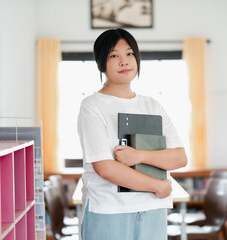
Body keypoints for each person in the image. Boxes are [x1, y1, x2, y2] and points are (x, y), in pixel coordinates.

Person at [77, 28, 187, 240]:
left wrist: (139, 156)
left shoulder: (152, 105)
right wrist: (158, 186)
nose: (124, 61)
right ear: (101, 64)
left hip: (152, 209)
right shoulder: (92, 106)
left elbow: (179, 157)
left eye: (129, 54)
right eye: (114, 55)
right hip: (109, 210)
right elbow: (105, 167)